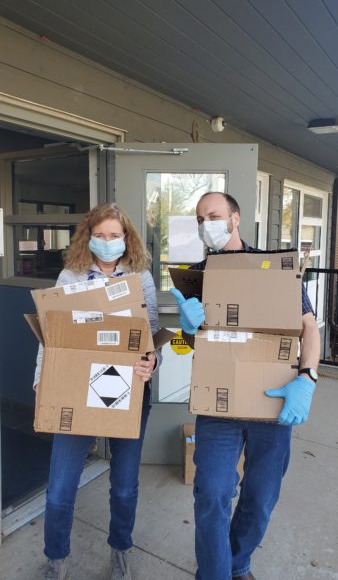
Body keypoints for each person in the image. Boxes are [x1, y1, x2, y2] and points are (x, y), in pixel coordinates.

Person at [171, 192, 320, 580]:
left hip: (272, 401)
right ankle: (215, 572)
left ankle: (239, 563)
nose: (208, 225)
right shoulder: (195, 277)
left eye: (215, 215)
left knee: (260, 498)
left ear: (235, 219)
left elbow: (308, 326)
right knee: (212, 494)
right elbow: (183, 346)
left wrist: (307, 378)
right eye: (201, 218)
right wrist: (185, 330)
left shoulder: (272, 269)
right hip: (219, 408)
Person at [34, 203, 161, 580]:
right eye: (101, 235)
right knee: (59, 488)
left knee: (123, 486)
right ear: (89, 238)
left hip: (129, 387)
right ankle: (55, 560)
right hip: (75, 386)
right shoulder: (70, 277)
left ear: (127, 239)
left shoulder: (141, 278)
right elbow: (50, 336)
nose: (108, 242)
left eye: (115, 236)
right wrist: (42, 381)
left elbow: (151, 336)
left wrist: (152, 363)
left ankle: (120, 550)